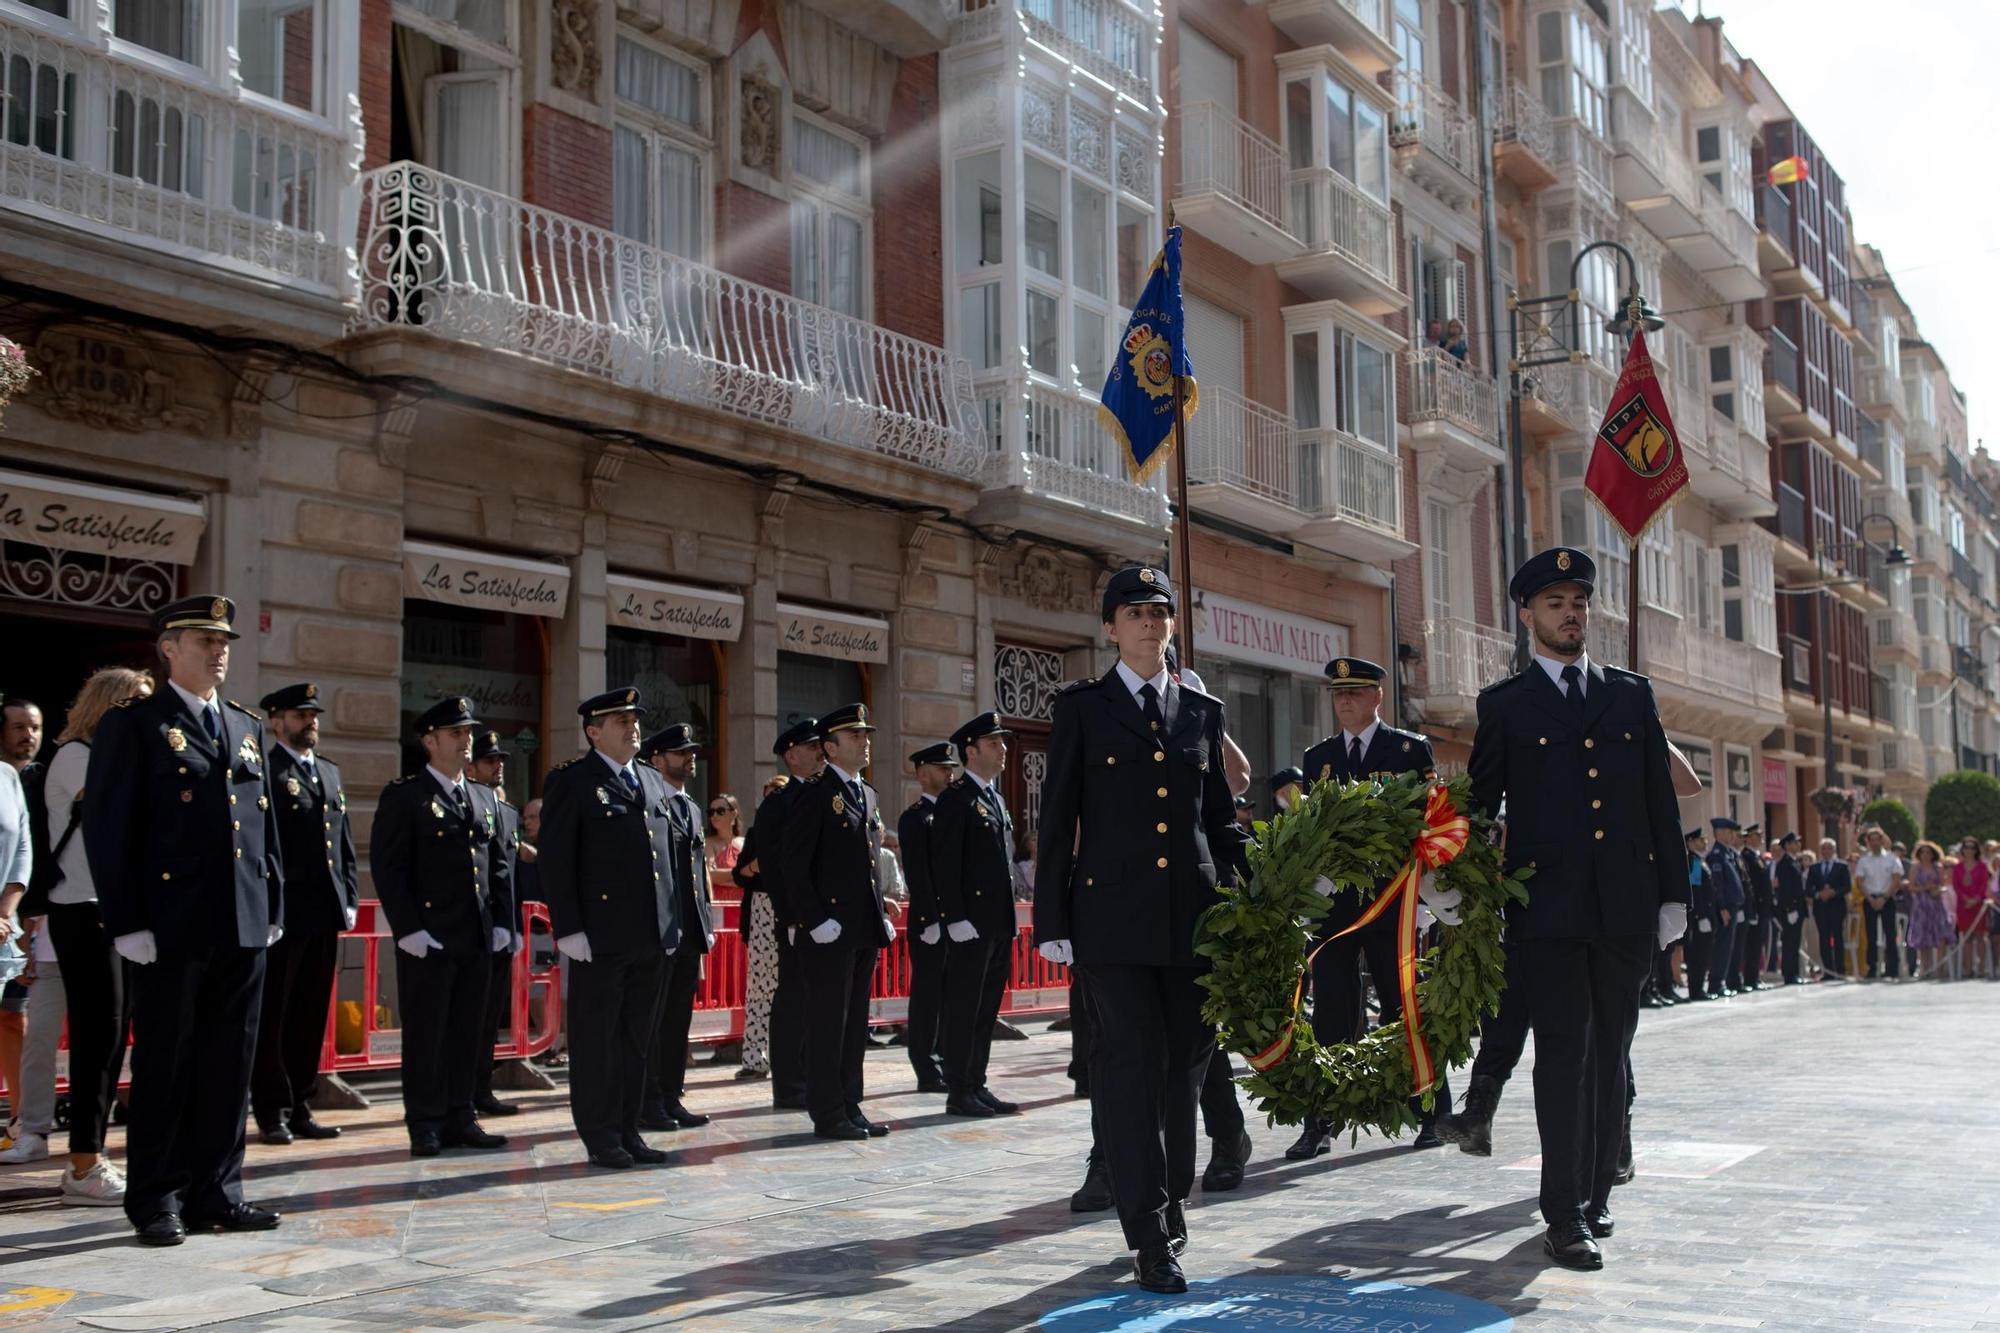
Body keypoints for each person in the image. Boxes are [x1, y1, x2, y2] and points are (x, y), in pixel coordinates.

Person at [1464, 548, 1686, 1272]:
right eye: (1555, 601)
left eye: (1579, 601)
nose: (1571, 612)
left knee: (1610, 1056)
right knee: (1563, 1058)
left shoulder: (1629, 695)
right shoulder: (1504, 706)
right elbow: (1476, 807)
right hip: (1548, 915)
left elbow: (1659, 800)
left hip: (1623, 910)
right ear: (1528, 615)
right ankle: (1562, 1213)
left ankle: (1592, 1198)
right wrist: (1453, 876)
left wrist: (1674, 897)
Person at [1033, 565, 1248, 1294]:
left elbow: (1217, 818)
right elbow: (1057, 819)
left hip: (1193, 920)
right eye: (1135, 613)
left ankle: (1171, 1202)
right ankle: (1148, 1232)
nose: (1151, 624)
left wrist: (1255, 889)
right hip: (1112, 926)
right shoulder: (1083, 710)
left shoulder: (1200, 710)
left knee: (1183, 1068)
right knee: (1128, 1070)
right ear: (1110, 627)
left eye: (1161, 613)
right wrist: (1052, 920)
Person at [83, 595, 284, 1246]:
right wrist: (126, 920)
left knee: (231, 1064)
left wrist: (272, 902)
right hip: (170, 923)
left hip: (242, 921)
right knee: (168, 1063)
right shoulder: (137, 723)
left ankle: (218, 1191)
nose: (219, 650)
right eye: (204, 639)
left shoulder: (246, 725)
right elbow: (110, 829)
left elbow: (261, 827)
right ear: (168, 647)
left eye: (224, 639)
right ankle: (157, 1197)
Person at [1287, 656, 1448, 1160]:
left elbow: (1433, 821)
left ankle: (1431, 1110)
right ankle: (1322, 1121)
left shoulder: (1407, 749)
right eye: (1338, 694)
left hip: (1392, 899)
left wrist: (1434, 890)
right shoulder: (1320, 759)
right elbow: (1312, 825)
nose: (1345, 701)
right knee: (1332, 1009)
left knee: (1403, 1005)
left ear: (1377, 696)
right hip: (1335, 903)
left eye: (1355, 692)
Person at [22, 668, 149, 1201]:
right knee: (99, 1035)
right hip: (83, 909)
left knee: (115, 1034)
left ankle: (94, 1155)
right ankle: (82, 1164)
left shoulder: (109, 757)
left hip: (114, 909)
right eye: (137, 702)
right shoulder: (77, 756)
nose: (146, 712)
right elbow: (122, 816)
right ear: (110, 705)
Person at [540, 689, 680, 1169]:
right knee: (597, 1040)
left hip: (648, 935)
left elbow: (666, 861)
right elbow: (558, 860)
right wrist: (569, 927)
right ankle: (600, 1135)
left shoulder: (651, 780)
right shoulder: (574, 782)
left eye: (635, 718)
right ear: (594, 731)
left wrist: (671, 921)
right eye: (620, 720)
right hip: (599, 935)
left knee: (636, 1039)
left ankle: (628, 1129)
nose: (632, 726)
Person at [370, 695, 514, 1160]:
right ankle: (426, 1122)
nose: (466, 740)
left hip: (475, 934)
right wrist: (408, 928)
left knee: (468, 1032)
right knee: (427, 1034)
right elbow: (390, 868)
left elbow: (498, 867)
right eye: (456, 733)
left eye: (469, 732)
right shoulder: (406, 796)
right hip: (429, 936)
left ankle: (460, 1114)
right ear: (430, 741)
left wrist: (503, 924)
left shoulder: (482, 796)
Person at [780, 703, 897, 1142]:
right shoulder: (814, 792)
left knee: (854, 1024)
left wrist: (878, 912)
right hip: (828, 929)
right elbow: (794, 865)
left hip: (860, 927)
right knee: (829, 1022)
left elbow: (863, 865)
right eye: (854, 736)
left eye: (865, 734)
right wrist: (813, 919)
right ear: (829, 747)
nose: (864, 741)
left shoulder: (865, 793)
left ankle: (850, 1103)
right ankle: (828, 1112)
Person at [250, 682, 359, 1145]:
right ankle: (271, 1109)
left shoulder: (328, 773)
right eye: (299, 715)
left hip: (323, 911)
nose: (310, 722)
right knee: (275, 1013)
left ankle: (300, 1104)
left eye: (313, 715)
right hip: (283, 914)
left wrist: (349, 896)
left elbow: (345, 844)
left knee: (311, 1014)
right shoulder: (266, 771)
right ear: (277, 721)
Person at [933, 712, 1023, 1119]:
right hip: (969, 922)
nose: (1002, 750)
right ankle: (958, 1088)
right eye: (993, 744)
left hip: (994, 921)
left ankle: (977, 1081)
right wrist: (954, 915)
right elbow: (945, 862)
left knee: (986, 1008)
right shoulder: (956, 799)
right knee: (964, 1008)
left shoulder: (995, 798)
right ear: (970, 751)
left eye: (1002, 742)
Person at [733, 721, 823, 1104]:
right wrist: (792, 916)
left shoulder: (820, 795)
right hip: (791, 917)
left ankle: (809, 1075)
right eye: (811, 746)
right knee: (790, 1000)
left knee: (812, 1000)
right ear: (791, 756)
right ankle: (789, 1085)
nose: (820, 750)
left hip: (821, 919)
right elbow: (774, 865)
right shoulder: (779, 804)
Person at [638, 723, 717, 1133]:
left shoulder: (691, 807)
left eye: (691, 752)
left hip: (688, 930)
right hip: (660, 930)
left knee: (676, 1022)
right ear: (656, 760)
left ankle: (671, 1095)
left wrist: (705, 926)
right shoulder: (649, 804)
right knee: (652, 1021)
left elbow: (696, 871)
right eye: (679, 752)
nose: (690, 758)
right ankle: (647, 1100)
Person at [466, 729, 526, 1117]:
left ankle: (481, 1088)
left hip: (501, 927)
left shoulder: (507, 812)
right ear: (472, 765)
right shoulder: (469, 804)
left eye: (501, 760)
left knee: (490, 1016)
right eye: (490, 760)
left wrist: (513, 925)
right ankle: (461, 1093)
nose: (498, 766)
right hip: (472, 925)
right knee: (467, 1017)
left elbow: (509, 875)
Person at [898, 742, 958, 1093]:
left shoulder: (952, 814)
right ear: (922, 774)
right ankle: (925, 1064)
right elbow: (919, 874)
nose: (948, 772)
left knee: (951, 995)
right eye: (940, 767)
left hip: (953, 921)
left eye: (950, 767)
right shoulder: (916, 818)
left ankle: (948, 1057)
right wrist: (933, 918)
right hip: (930, 922)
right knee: (928, 997)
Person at [730, 774, 789, 1083]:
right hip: (761, 910)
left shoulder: (796, 828)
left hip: (790, 909)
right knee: (760, 989)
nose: (772, 800)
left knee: (790, 989)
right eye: (768, 795)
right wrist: (756, 866)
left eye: (778, 794)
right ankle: (754, 1059)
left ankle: (789, 1059)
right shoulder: (755, 833)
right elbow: (739, 875)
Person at [1853, 826, 1902, 980]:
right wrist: (1870, 898)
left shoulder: (1892, 858)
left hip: (1886, 899)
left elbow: (1896, 879)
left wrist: (1885, 897)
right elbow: (1860, 881)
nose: (1874, 843)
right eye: (1871, 840)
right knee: (1871, 935)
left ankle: (1892, 968)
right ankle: (1872, 968)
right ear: (1868, 842)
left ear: (1882, 840)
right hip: (1870, 899)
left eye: (1877, 839)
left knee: (1890, 934)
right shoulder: (1863, 860)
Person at [1705, 819, 1746, 998]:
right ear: (1719, 833)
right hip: (1725, 908)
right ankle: (1716, 983)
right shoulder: (1716, 855)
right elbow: (1717, 885)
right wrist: (1722, 907)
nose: (1733, 836)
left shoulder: (1728, 854)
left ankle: (1723, 980)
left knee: (1729, 946)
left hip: (1733, 906)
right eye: (1730, 832)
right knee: (1722, 946)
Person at [1904, 841, 1953, 980]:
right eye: (1923, 852)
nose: (1925, 855)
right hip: (1921, 905)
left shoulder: (1938, 867)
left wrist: (1937, 890)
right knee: (1923, 937)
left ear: (1933, 854)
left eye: (1928, 852)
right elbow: (1911, 887)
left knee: (1940, 936)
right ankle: (1926, 969)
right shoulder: (1915, 868)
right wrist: (1924, 888)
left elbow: (1944, 885)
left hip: (1936, 905)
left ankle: (1939, 969)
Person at [1807, 837, 1850, 979]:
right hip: (1821, 908)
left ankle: (1839, 970)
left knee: (1838, 938)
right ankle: (1828, 971)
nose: (1826, 851)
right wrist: (1818, 894)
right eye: (1823, 848)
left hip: (1837, 908)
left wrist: (1834, 892)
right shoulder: (1814, 868)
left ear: (1834, 850)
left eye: (1829, 848)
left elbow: (1846, 886)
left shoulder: (1842, 867)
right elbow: (1808, 888)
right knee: (1824, 940)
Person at [1735, 825, 1771, 990]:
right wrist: (1754, 909)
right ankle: (1750, 978)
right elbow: (1752, 887)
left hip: (1763, 908)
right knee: (1752, 945)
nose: (1759, 838)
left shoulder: (1757, 856)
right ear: (1748, 838)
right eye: (1756, 835)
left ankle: (1754, 977)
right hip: (1756, 907)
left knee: (1758, 945)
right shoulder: (1746, 856)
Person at [1681, 828, 1715, 1000]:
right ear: (1691, 843)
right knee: (1698, 955)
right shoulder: (1693, 861)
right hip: (1699, 918)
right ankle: (1696, 989)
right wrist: (1701, 916)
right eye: (1701, 840)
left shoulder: (1700, 860)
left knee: (1703, 954)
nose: (1705, 842)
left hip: (1707, 915)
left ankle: (1699, 987)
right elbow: (1695, 891)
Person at [1950, 835, 1989, 979]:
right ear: (1962, 849)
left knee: (1980, 936)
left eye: (1972, 847)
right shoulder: (1958, 867)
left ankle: (1981, 967)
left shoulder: (1982, 866)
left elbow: (1984, 885)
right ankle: (1967, 968)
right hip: (1963, 905)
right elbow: (1956, 885)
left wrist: (1976, 899)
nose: (1969, 850)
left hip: (1978, 906)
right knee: (1966, 937)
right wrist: (1965, 898)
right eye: (1966, 847)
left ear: (1976, 850)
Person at [1771, 832, 1808, 984]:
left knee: (1795, 942)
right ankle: (1789, 974)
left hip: (1797, 909)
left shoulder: (1794, 862)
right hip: (1790, 910)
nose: (1798, 845)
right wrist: (1790, 909)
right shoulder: (1785, 864)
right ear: (1787, 845)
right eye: (1794, 842)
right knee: (1790, 942)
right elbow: (1785, 889)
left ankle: (1794, 973)